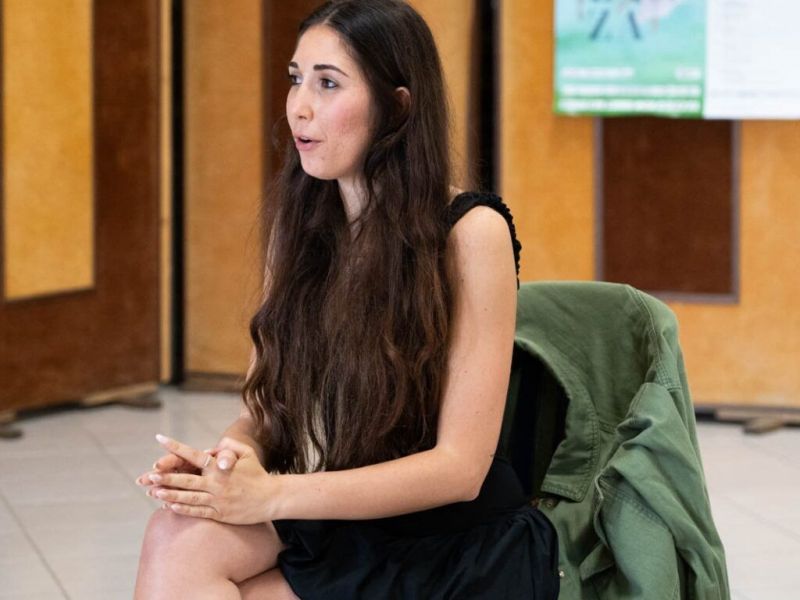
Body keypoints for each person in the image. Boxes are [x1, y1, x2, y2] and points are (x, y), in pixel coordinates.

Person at [134, 1, 559, 598]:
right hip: (342, 513)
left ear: (398, 107)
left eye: (328, 84)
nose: (299, 107)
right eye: (296, 79)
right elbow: (266, 411)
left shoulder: (470, 231)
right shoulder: (299, 228)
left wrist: (271, 495)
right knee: (175, 534)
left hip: (450, 541)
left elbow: (460, 469)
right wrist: (226, 463)